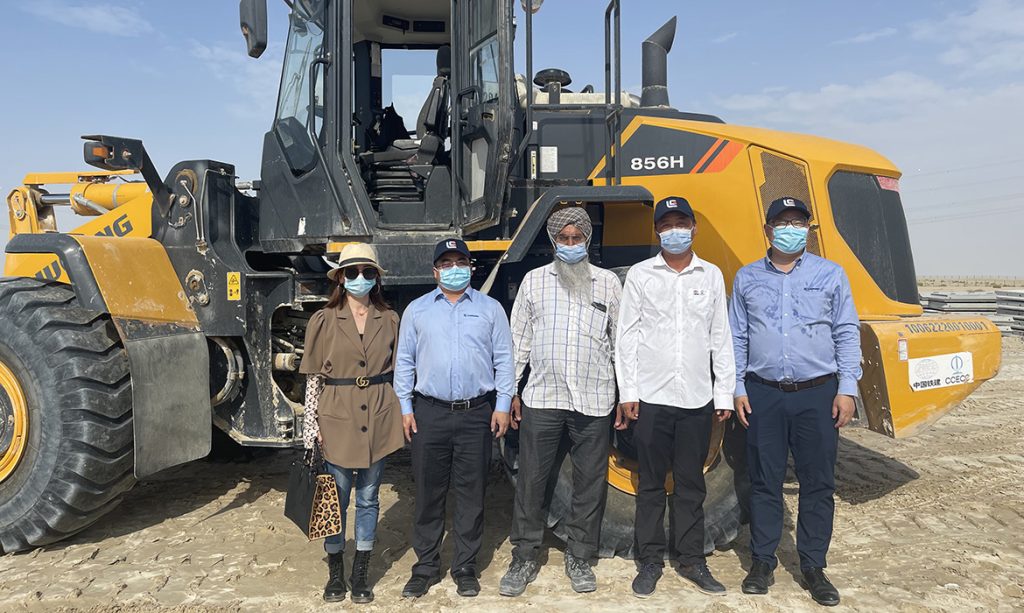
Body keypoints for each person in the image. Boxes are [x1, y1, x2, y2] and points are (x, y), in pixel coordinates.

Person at [729, 197, 861, 607]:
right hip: (763, 393)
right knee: (764, 480)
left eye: (798, 222)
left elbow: (846, 331)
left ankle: (813, 566)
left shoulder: (830, 274)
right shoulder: (748, 278)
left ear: (808, 228)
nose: (791, 229)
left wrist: (847, 388)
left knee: (818, 483)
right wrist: (737, 387)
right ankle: (762, 562)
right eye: (783, 222)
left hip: (818, 394)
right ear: (768, 230)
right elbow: (737, 336)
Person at [616, 196, 736, 598]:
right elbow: (627, 337)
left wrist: (723, 392)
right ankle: (649, 561)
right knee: (650, 484)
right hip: (652, 397)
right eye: (666, 225)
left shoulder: (711, 275)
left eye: (681, 223)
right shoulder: (640, 275)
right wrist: (629, 391)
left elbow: (720, 337)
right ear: (656, 232)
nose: (674, 231)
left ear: (694, 228)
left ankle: (691, 560)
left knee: (691, 483)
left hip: (697, 399)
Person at [500, 207, 622, 597]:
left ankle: (580, 556)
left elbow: (620, 344)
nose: (571, 244)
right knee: (532, 479)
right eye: (564, 239)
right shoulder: (534, 282)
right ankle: (524, 555)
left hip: (594, 397)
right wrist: (511, 392)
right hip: (543, 396)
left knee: (590, 481)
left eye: (577, 238)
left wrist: (626, 394)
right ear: (554, 242)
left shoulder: (607, 284)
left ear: (588, 239)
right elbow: (518, 342)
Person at [394, 239, 515, 599]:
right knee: (428, 493)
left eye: (460, 262)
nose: (454, 269)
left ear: (471, 268)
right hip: (429, 412)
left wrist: (503, 404)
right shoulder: (417, 311)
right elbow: (404, 361)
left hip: (476, 413)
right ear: (435, 271)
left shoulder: (490, 309)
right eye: (446, 263)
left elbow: (504, 358)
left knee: (471, 494)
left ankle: (465, 567)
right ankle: (425, 567)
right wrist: (405, 408)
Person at [299, 243, 404, 604]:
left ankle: (360, 572)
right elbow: (313, 378)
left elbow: (401, 371)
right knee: (336, 498)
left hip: (378, 412)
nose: (361, 278)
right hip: (336, 415)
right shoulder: (323, 320)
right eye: (353, 272)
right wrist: (310, 428)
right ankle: (335, 572)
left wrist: (403, 412)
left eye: (368, 271)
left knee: (370, 498)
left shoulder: (390, 319)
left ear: (376, 278)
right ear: (341, 278)